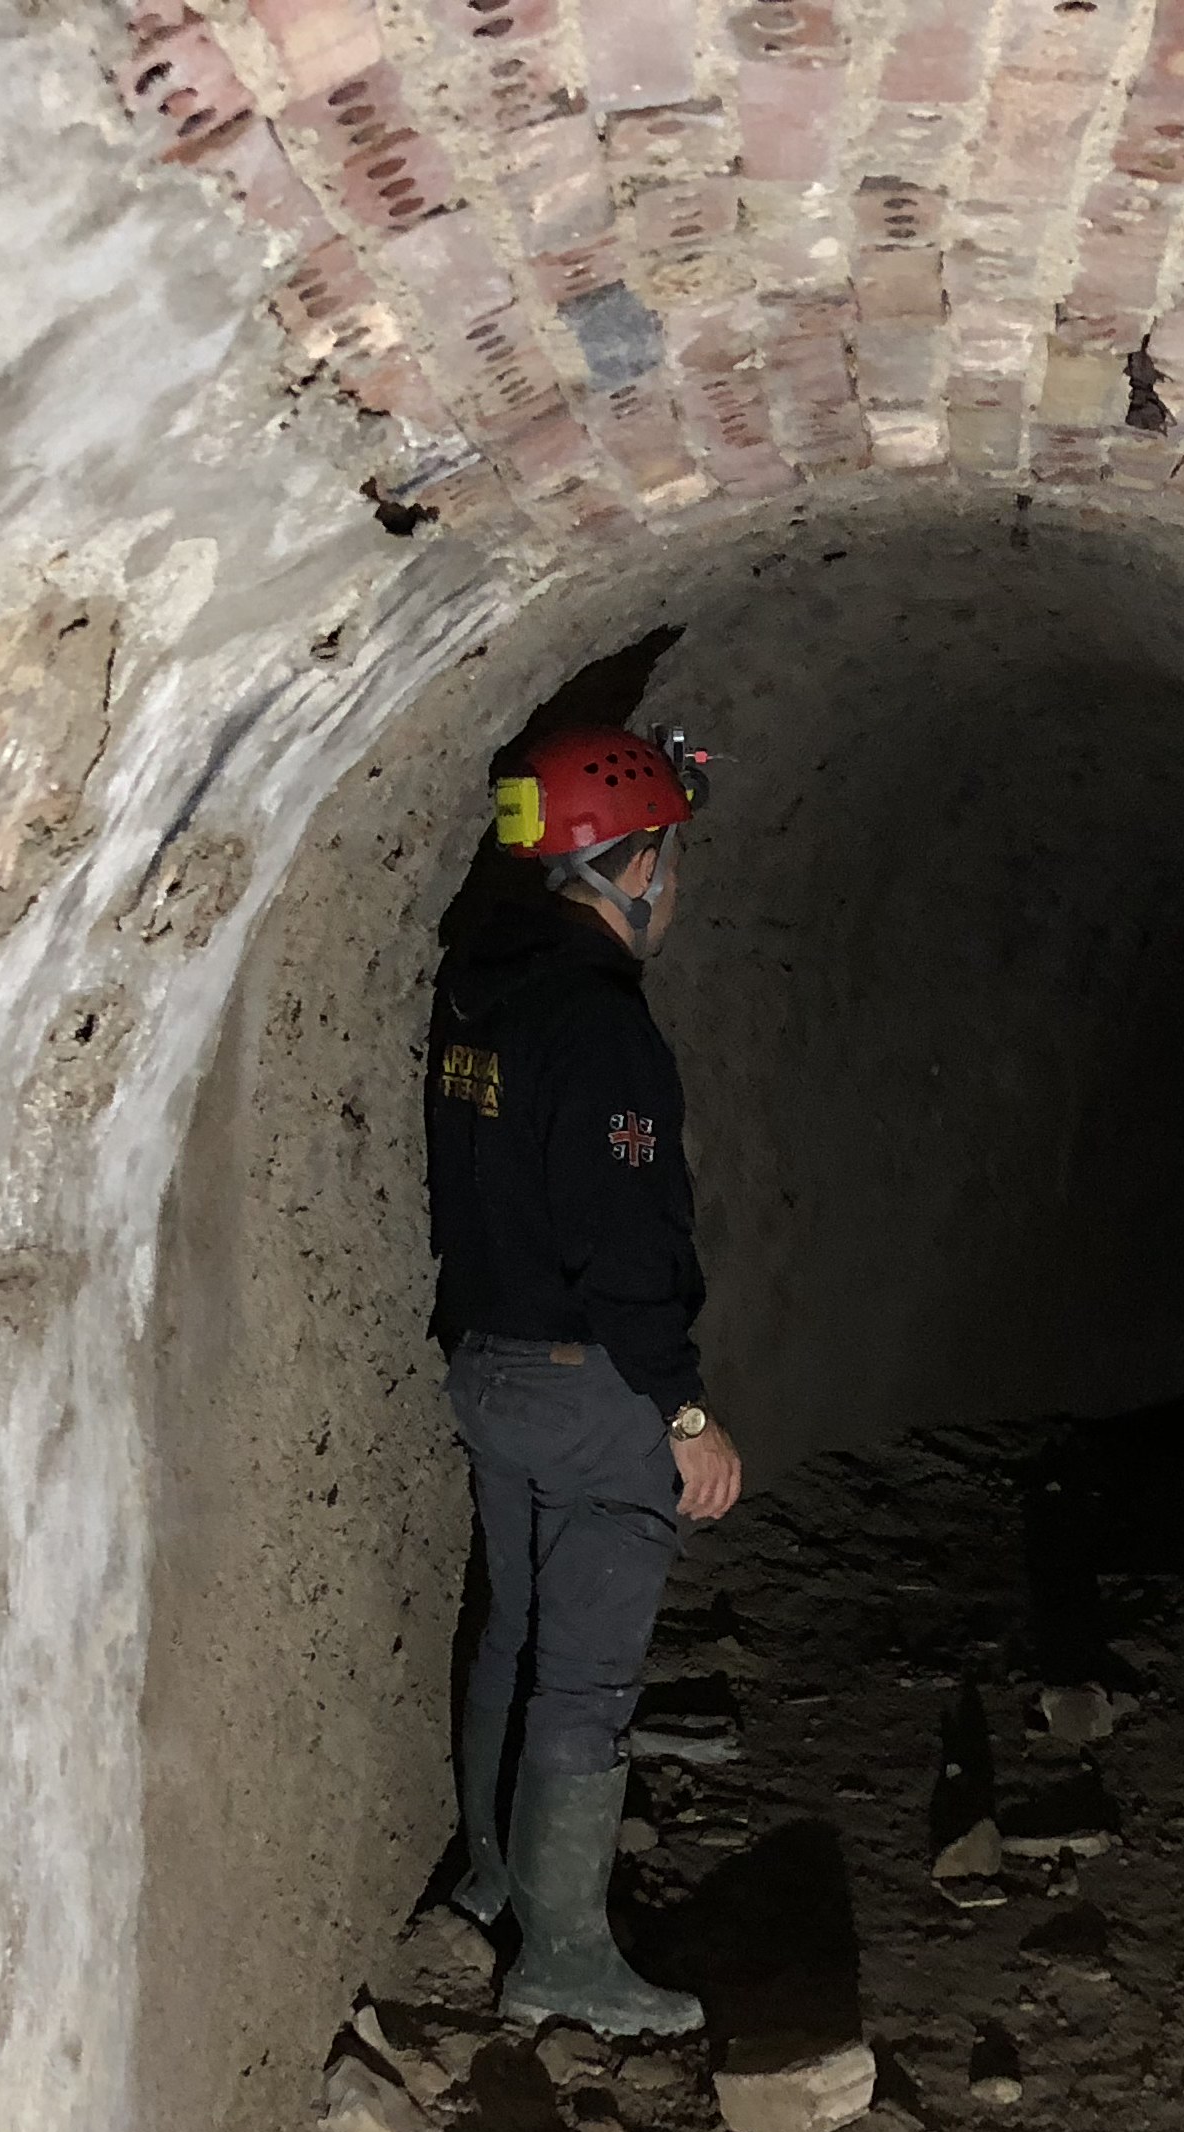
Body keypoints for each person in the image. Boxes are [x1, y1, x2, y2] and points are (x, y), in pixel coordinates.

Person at [425, 722, 746, 2038]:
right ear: (637, 861)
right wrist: (683, 1411)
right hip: (589, 1385)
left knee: (515, 1624)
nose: (678, 885)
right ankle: (563, 1956)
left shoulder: (477, 990)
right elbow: (627, 1242)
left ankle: (497, 1877)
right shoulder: (603, 1032)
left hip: (487, 1368)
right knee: (588, 1675)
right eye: (672, 856)